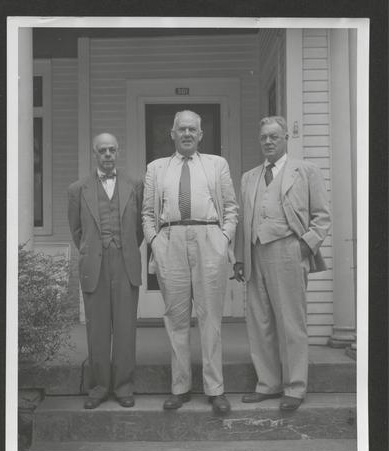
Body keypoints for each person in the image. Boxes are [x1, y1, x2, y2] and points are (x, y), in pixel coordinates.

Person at [142, 110, 238, 415]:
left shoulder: (216, 164)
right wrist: (156, 242)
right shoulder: (156, 168)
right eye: (181, 129)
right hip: (170, 239)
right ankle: (180, 388)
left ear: (200, 135)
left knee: (211, 319)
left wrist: (223, 240)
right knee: (176, 318)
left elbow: (232, 207)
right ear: (172, 134)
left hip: (209, 237)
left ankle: (215, 389)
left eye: (192, 130)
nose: (186, 134)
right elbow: (147, 213)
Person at [233, 116, 331, 412]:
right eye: (264, 137)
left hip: (289, 250)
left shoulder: (305, 171)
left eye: (274, 136)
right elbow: (242, 223)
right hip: (255, 254)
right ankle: (268, 383)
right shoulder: (249, 177)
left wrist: (305, 244)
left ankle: (295, 387)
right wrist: (239, 257)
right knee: (260, 321)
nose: (268, 142)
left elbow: (322, 216)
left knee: (291, 321)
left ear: (286, 137)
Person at [68, 133, 143, 409]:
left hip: (125, 263)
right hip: (94, 265)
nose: (108, 154)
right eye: (103, 150)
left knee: (125, 328)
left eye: (112, 149)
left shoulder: (134, 185)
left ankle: (124, 386)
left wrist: (121, 248)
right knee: (97, 329)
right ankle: (98, 387)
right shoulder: (78, 189)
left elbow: (138, 231)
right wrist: (96, 250)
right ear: (95, 153)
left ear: (119, 151)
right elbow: (77, 231)